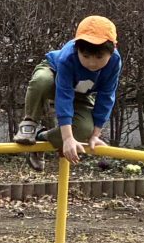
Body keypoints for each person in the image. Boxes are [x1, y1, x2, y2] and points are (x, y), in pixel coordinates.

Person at [11, 15, 121, 161]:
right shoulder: (68, 57)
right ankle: (29, 122)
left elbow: (106, 96)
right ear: (77, 48)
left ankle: (42, 137)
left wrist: (95, 135)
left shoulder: (114, 62)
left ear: (113, 50)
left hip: (81, 92)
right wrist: (67, 138)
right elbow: (64, 95)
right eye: (86, 56)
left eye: (99, 57)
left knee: (84, 130)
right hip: (54, 75)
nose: (92, 63)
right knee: (42, 80)